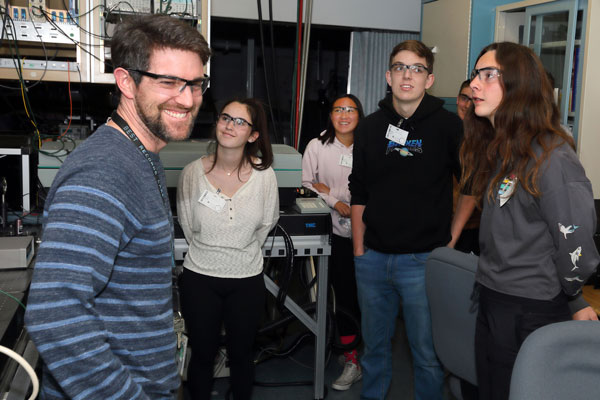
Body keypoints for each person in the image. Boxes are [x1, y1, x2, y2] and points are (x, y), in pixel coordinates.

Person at [24, 14, 210, 399]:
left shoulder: (142, 154)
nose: (188, 98)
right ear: (127, 81)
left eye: (195, 83)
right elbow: (55, 313)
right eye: (169, 82)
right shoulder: (104, 171)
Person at [461, 42, 600, 400]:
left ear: (520, 85)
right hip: (494, 299)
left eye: (488, 75)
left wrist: (572, 297)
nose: (475, 84)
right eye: (476, 74)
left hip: (530, 311)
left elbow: (578, 249)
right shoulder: (506, 150)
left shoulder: (553, 158)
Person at [349, 40, 464, 400]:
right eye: (400, 67)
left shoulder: (449, 126)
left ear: (429, 79)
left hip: (424, 261)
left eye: (416, 68)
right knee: (375, 351)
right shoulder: (369, 127)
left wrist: (451, 240)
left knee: (427, 356)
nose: (407, 75)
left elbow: (473, 187)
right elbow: (358, 192)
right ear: (388, 76)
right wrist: (358, 250)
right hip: (373, 259)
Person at [176, 98, 279, 400]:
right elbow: (188, 224)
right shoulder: (192, 174)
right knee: (202, 355)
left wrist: (238, 252)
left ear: (253, 135)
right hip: (200, 278)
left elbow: (266, 223)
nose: (229, 125)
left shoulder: (264, 177)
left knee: (242, 356)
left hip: (246, 279)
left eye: (239, 121)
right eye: (225, 118)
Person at [302, 94, 365, 391]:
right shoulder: (317, 146)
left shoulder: (367, 146)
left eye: (350, 110)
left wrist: (333, 195)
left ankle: (358, 356)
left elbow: (372, 187)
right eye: (338, 109)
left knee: (359, 296)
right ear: (331, 115)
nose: (343, 114)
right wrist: (332, 199)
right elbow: (306, 184)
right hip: (329, 231)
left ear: (359, 115)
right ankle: (344, 353)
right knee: (333, 296)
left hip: (362, 233)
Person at [451, 80, 481, 255]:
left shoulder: (486, 139)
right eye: (464, 98)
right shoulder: (444, 131)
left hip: (475, 226)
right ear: (457, 99)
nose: (467, 104)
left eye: (473, 99)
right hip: (444, 224)